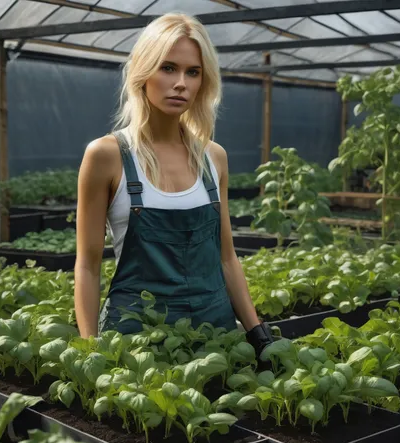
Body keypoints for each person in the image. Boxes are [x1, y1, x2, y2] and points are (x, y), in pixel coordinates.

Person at [75, 13, 273, 356]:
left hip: (216, 340)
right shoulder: (107, 155)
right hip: (138, 345)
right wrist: (90, 350)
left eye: (192, 72)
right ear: (143, 71)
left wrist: (258, 335)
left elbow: (227, 258)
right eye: (168, 68)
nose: (180, 82)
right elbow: (88, 265)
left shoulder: (214, 158)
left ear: (203, 82)